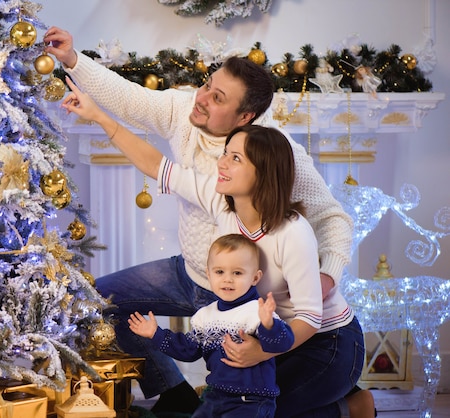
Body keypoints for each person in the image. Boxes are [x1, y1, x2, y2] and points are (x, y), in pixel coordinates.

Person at [45, 27, 374, 417]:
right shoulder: (221, 196)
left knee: (255, 404)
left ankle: (350, 406)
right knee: (100, 301)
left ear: (246, 118)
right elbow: (151, 151)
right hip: (197, 279)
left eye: (217, 98)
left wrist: (325, 278)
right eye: (206, 85)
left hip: (309, 331)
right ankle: (174, 394)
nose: (200, 99)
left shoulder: (279, 168)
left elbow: (321, 262)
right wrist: (77, 68)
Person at [129, 233, 295, 418]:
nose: (227, 279)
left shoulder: (257, 311)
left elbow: (283, 343)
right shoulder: (205, 315)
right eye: (219, 272)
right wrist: (156, 334)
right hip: (216, 395)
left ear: (255, 278)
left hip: (250, 399)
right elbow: (188, 350)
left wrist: (269, 324)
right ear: (209, 275)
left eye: (237, 273)